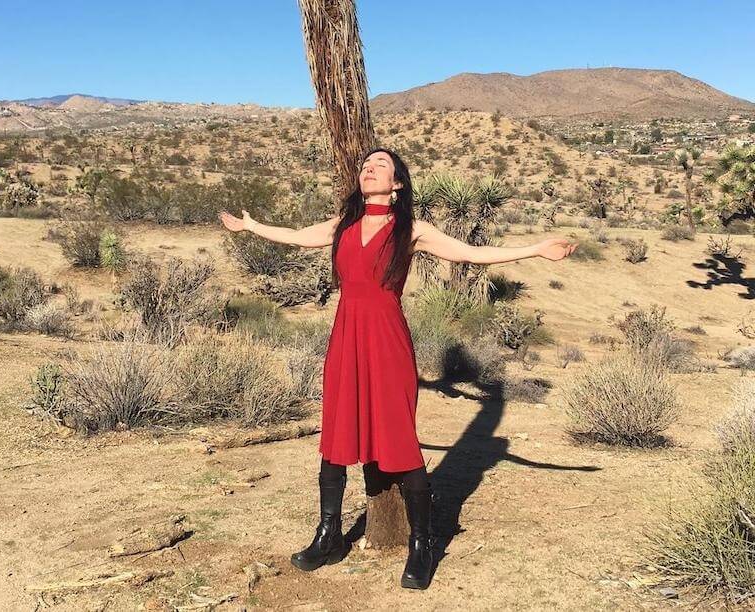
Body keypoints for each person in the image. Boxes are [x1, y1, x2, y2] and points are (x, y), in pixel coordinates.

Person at [219, 147, 578, 590]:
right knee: (336, 432)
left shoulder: (412, 229)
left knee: (399, 439)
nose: (368, 169)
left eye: (380, 165)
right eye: (365, 165)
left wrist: (537, 249)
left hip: (387, 342)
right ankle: (328, 535)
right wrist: (252, 226)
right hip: (345, 339)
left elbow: (468, 253)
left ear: (398, 185)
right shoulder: (343, 225)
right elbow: (296, 236)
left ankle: (422, 545)